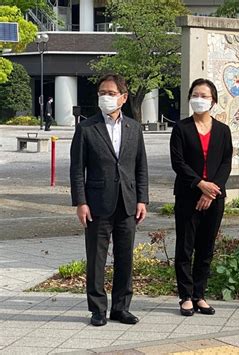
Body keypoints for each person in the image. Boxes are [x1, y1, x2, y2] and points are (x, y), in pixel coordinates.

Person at [70, 74, 148, 326]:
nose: (106, 97)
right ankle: (97, 309)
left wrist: (142, 199)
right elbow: (76, 169)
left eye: (111, 93)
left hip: (127, 202)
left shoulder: (134, 128)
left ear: (123, 98)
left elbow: (141, 167)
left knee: (125, 257)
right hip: (96, 204)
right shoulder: (86, 127)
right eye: (102, 93)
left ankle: (121, 308)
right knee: (96, 259)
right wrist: (80, 202)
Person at [170, 78, 233, 316]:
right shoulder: (181, 128)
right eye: (195, 94)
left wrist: (212, 189)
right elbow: (178, 162)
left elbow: (226, 163)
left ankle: (200, 294)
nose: (200, 99)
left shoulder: (223, 130)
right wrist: (200, 185)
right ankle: (185, 296)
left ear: (213, 100)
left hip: (215, 197)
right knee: (185, 247)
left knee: (206, 248)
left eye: (205, 96)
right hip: (188, 195)